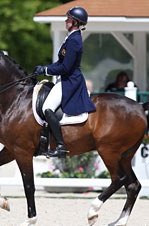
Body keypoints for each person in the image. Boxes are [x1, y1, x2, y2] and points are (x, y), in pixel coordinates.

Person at [33, 6, 96, 159]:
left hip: (70, 81)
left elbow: (66, 67)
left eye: (68, 18)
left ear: (75, 22)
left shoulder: (74, 40)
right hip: (65, 78)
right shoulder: (71, 37)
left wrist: (46, 70)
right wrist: (45, 68)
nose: (66, 20)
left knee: (47, 108)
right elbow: (60, 63)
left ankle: (60, 146)